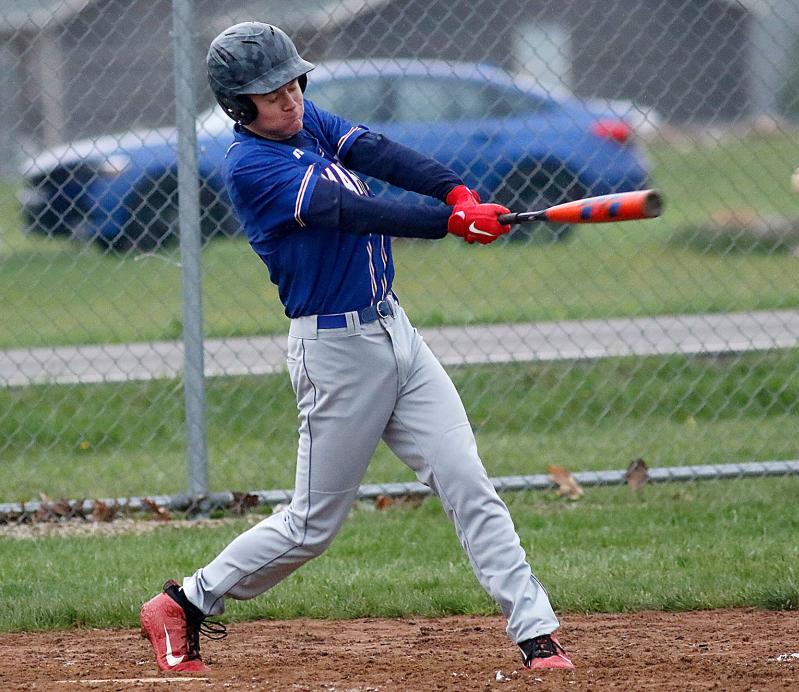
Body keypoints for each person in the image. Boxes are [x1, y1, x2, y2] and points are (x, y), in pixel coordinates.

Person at [139, 21, 574, 674]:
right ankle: (183, 603)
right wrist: (449, 223)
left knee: (467, 482)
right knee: (310, 526)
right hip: (334, 355)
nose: (288, 99)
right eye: (270, 93)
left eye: (292, 83)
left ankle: (538, 635)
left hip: (395, 332)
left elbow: (375, 151)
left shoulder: (303, 120)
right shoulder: (253, 166)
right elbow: (355, 209)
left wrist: (455, 192)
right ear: (238, 106)